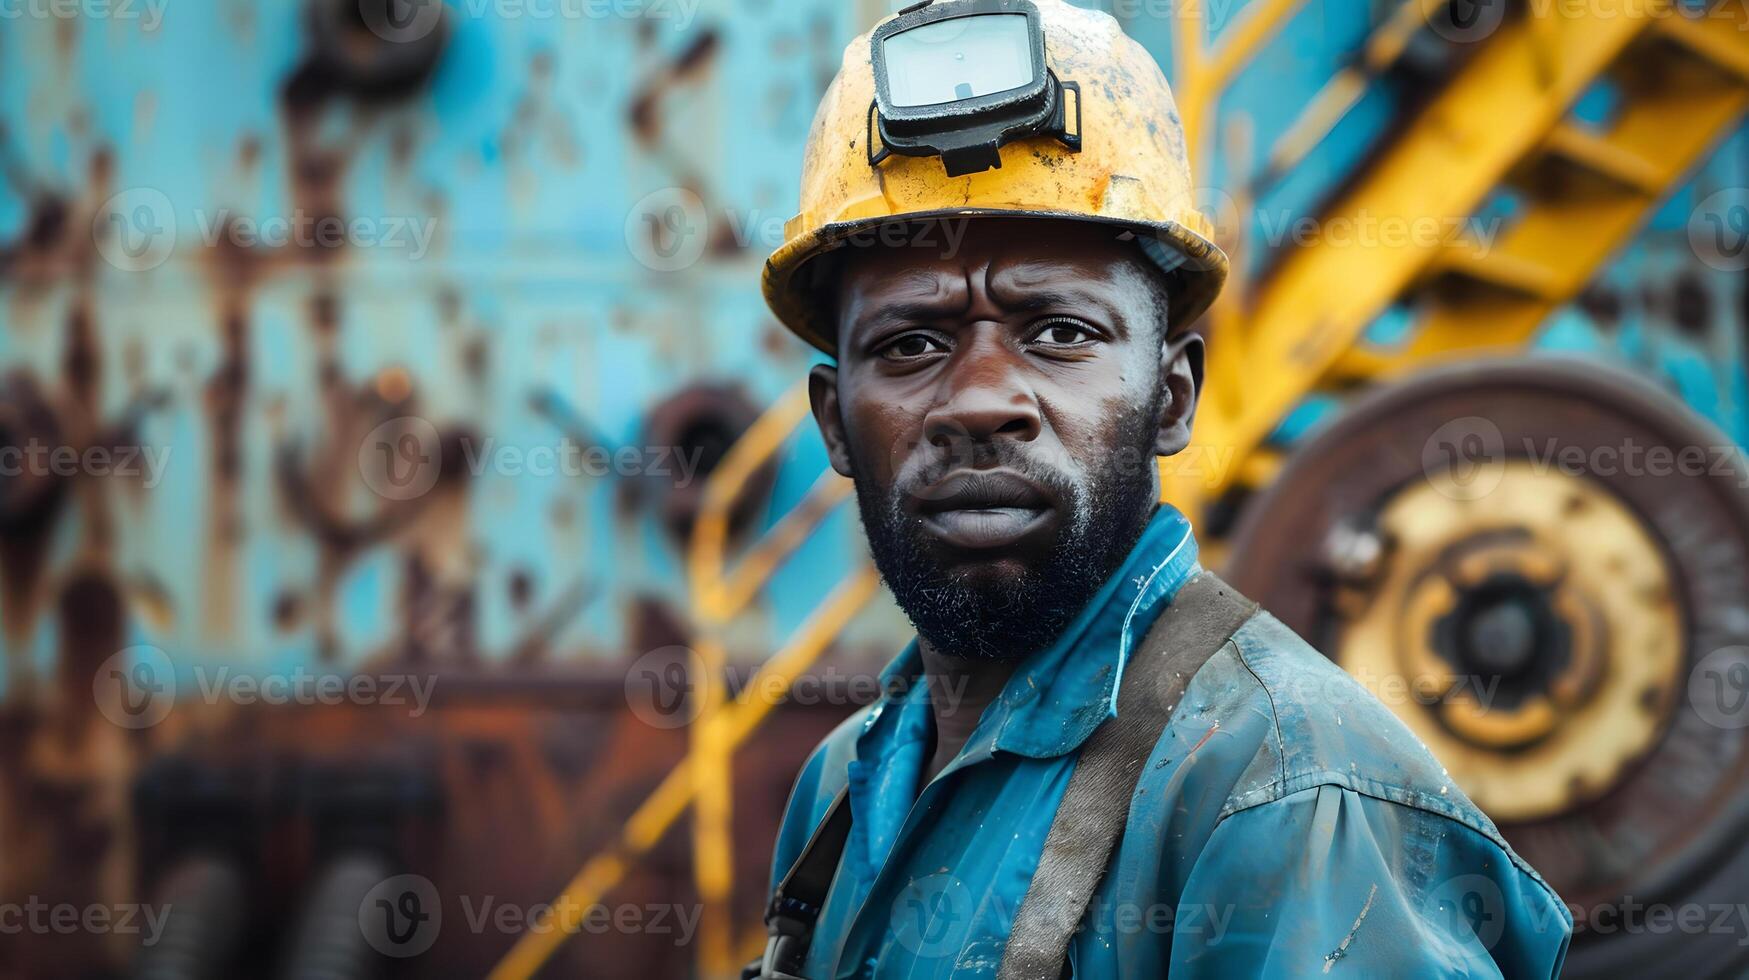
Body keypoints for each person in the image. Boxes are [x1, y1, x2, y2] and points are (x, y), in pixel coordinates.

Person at [753, 2, 1572, 976]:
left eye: (1059, 332)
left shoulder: (1282, 792)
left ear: (1172, 395)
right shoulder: (847, 783)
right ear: (835, 420)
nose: (978, 402)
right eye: (912, 343)